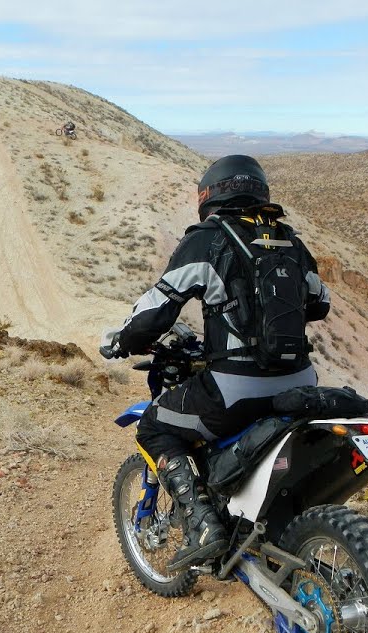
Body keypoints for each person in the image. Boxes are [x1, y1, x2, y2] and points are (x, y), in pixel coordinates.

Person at [100, 154, 331, 570]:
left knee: (155, 425)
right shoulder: (289, 241)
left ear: (209, 195)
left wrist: (122, 341)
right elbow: (319, 304)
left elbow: (156, 311)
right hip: (301, 382)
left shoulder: (208, 238)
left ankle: (204, 525)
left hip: (236, 388)